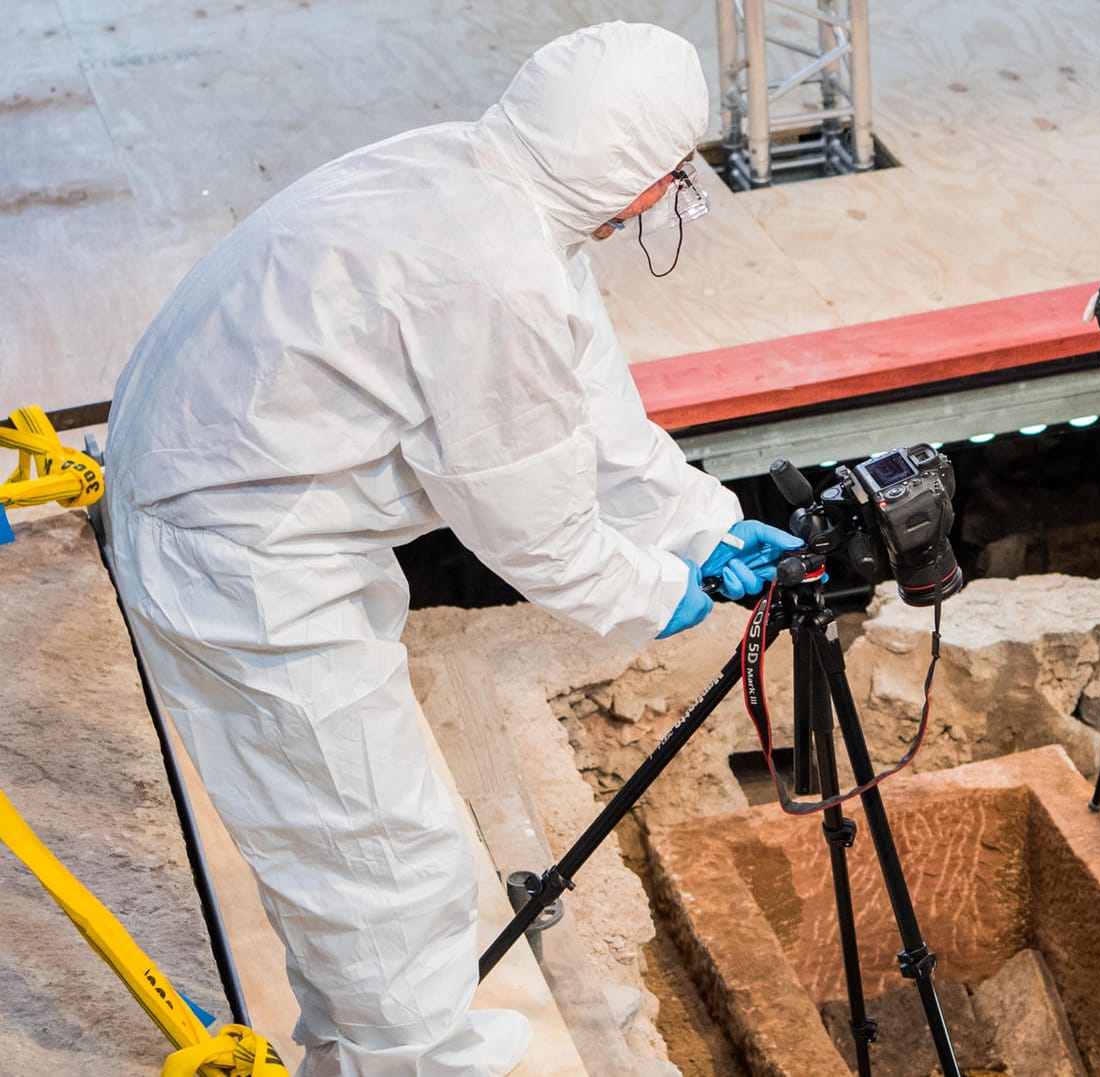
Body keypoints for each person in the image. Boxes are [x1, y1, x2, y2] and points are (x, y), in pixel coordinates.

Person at [103, 23, 799, 1077]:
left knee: (345, 838)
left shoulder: (493, 183)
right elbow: (540, 534)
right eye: (667, 177)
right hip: (238, 556)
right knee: (376, 850)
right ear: (627, 170)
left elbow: (591, 414)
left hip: (255, 502)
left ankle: (352, 1050)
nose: (662, 201)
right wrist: (665, 592)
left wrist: (700, 519)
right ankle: (415, 1062)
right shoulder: (493, 274)